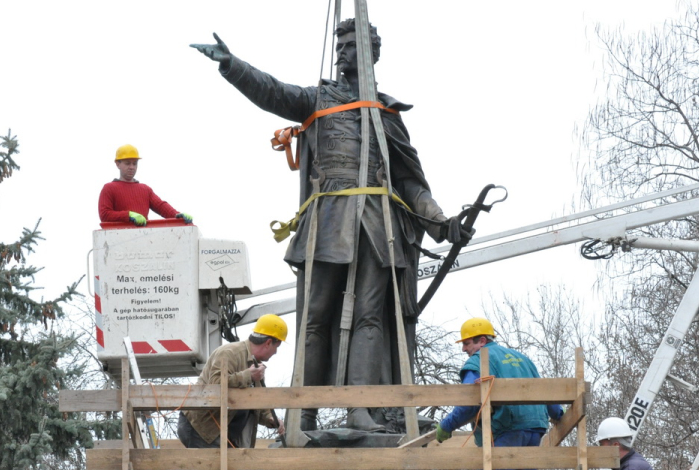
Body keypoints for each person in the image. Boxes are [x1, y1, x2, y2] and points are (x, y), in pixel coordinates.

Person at [191, 19, 470, 432]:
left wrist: (441, 223)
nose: (341, 51)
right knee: (316, 316)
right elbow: (272, 91)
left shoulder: (387, 115)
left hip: (377, 227)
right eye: (338, 44)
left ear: (371, 52)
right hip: (328, 223)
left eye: (350, 44)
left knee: (370, 317)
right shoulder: (319, 99)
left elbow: (411, 182)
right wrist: (233, 65)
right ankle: (304, 412)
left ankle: (361, 408)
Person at [436, 318, 563, 457]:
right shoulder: (522, 358)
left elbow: (469, 401)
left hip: (507, 428)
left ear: (482, 341)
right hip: (536, 428)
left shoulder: (478, 360)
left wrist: (446, 426)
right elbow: (542, 390)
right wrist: (558, 414)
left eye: (467, 343)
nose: (463, 349)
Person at [178, 314, 287, 448]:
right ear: (268, 342)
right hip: (201, 427)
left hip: (222, 431)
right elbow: (216, 384)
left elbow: (256, 400)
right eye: (277, 347)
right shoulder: (229, 353)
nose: (275, 352)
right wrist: (248, 376)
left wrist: (270, 418)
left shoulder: (256, 368)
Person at [98, 144, 193, 226]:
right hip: (117, 240)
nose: (131, 167)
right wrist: (128, 215)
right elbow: (105, 215)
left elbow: (160, 206)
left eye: (134, 163)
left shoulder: (145, 189)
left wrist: (176, 215)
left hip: (143, 240)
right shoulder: (109, 188)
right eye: (127, 163)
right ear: (117, 164)